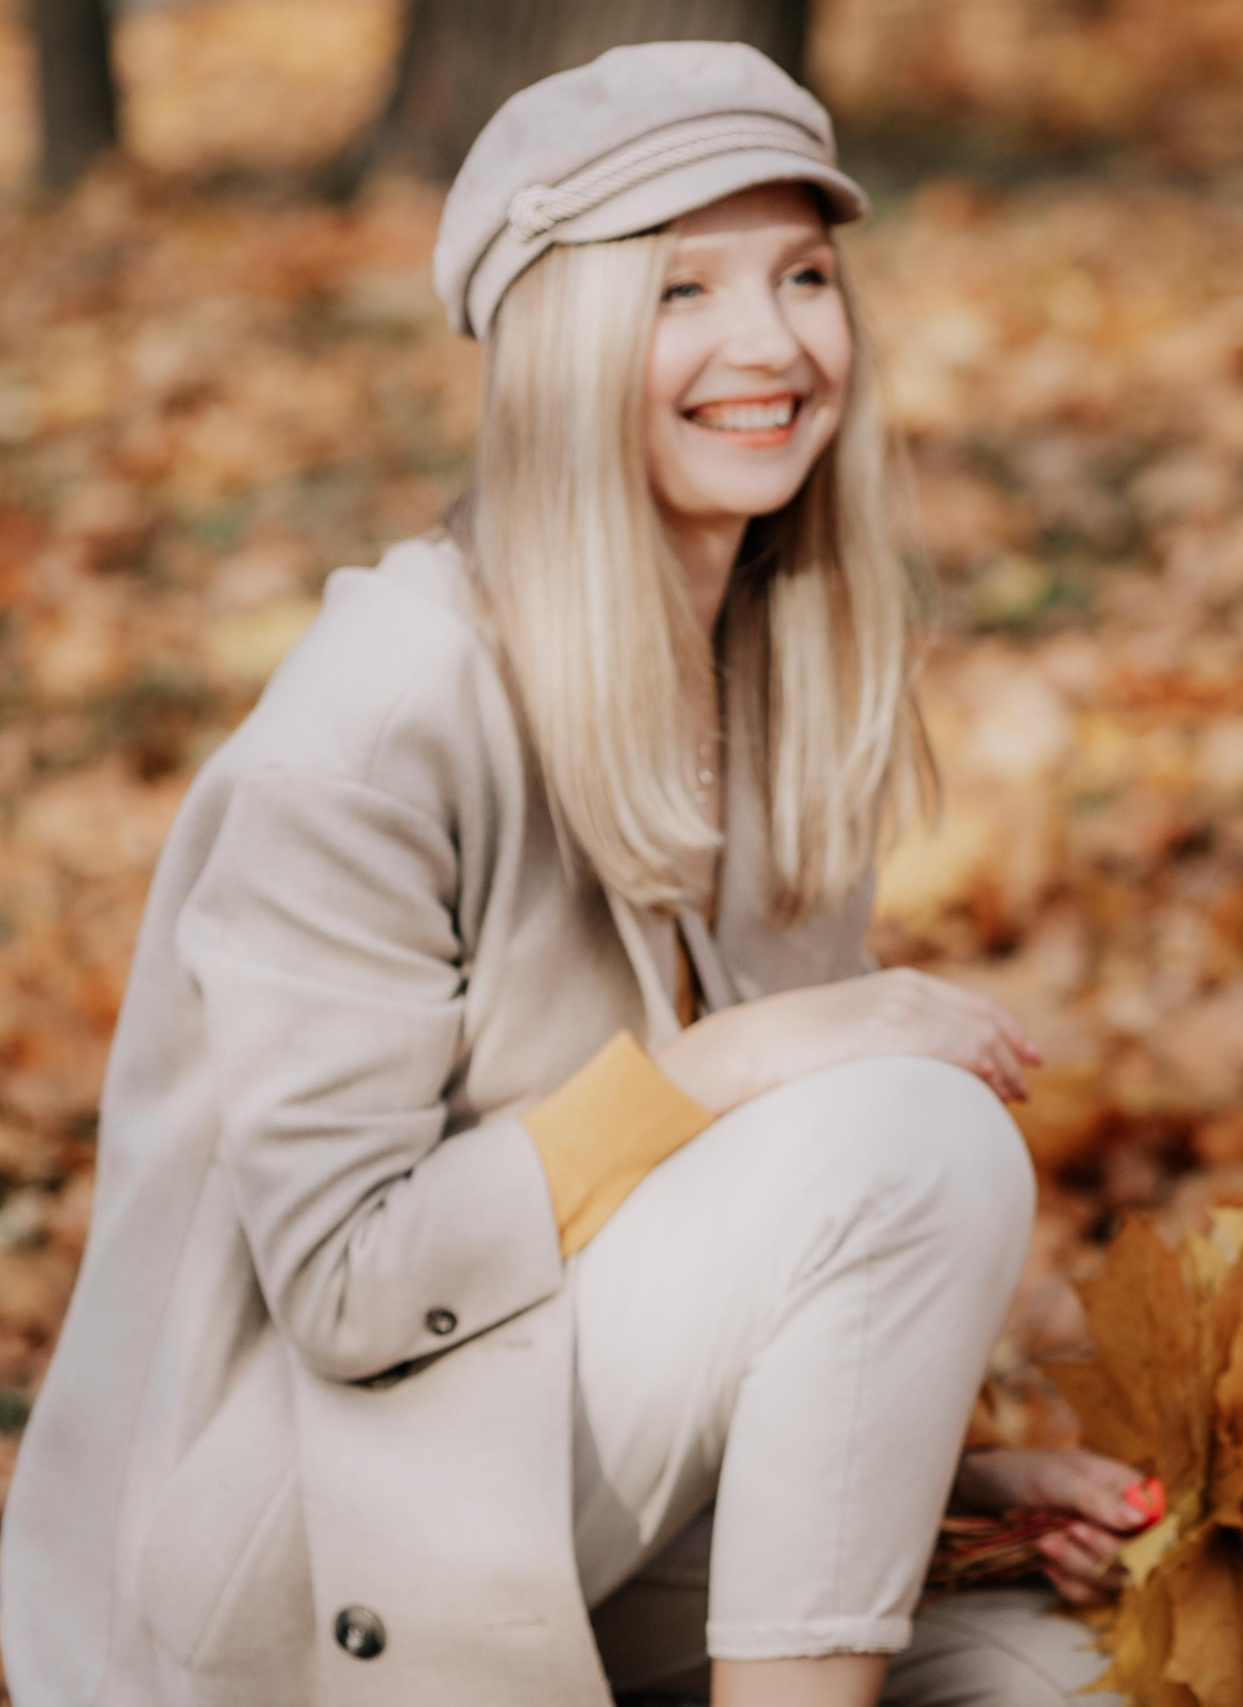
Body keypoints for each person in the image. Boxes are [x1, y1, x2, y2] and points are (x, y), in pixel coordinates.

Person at [3, 43, 1138, 1707]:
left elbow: (721, 1277)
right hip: (292, 1572)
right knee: (912, 1129)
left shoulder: (777, 679)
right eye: (682, 289)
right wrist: (724, 1065)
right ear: (562, 341)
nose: (770, 344)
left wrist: (942, 1485)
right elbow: (350, 1283)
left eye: (804, 276)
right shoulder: (386, 708)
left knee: (1084, 1679)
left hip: (548, 1507)